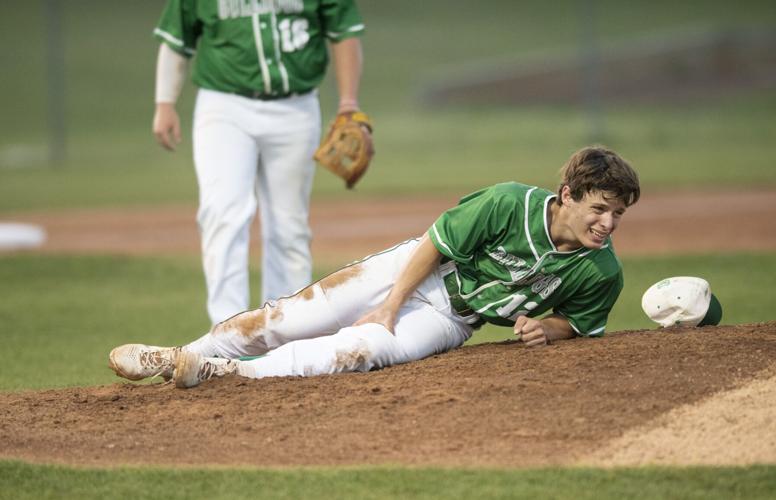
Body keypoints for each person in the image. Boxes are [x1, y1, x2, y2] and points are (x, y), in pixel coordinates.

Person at [109, 146, 641, 388]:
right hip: (413, 270)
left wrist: (544, 328)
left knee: (362, 351)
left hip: (453, 318)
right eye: (599, 208)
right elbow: (435, 243)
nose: (607, 224)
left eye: (617, 213)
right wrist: (388, 306)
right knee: (290, 318)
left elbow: (579, 322)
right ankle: (183, 355)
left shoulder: (601, 272)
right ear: (567, 194)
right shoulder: (506, 203)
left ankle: (226, 374)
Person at [152, 0, 367, 324]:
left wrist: (349, 102)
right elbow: (176, 40)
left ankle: (287, 328)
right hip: (224, 107)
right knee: (223, 213)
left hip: (296, 108)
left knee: (289, 225)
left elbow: (343, 33)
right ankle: (228, 329)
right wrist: (165, 103)